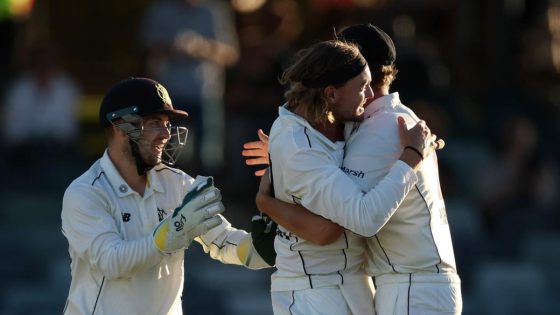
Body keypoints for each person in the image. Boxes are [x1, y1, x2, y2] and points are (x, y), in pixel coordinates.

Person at [247, 24, 462, 315]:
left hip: (412, 287)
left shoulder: (382, 128)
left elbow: (349, 221)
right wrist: (282, 153)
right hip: (410, 284)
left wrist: (268, 199)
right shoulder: (387, 119)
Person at [60, 77, 269, 315]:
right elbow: (112, 262)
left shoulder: (178, 183)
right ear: (120, 127)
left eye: (167, 124)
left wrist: (260, 248)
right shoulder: (85, 192)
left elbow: (222, 241)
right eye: (155, 123)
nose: (165, 135)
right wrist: (173, 231)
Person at [139, 0, 240, 174]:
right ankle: (172, 197)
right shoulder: (160, 11)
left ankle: (208, 197)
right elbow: (148, 48)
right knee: (172, 155)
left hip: (207, 94)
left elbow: (231, 55)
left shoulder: (214, 11)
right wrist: (173, 49)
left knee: (209, 157)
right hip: (169, 96)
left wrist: (204, 48)